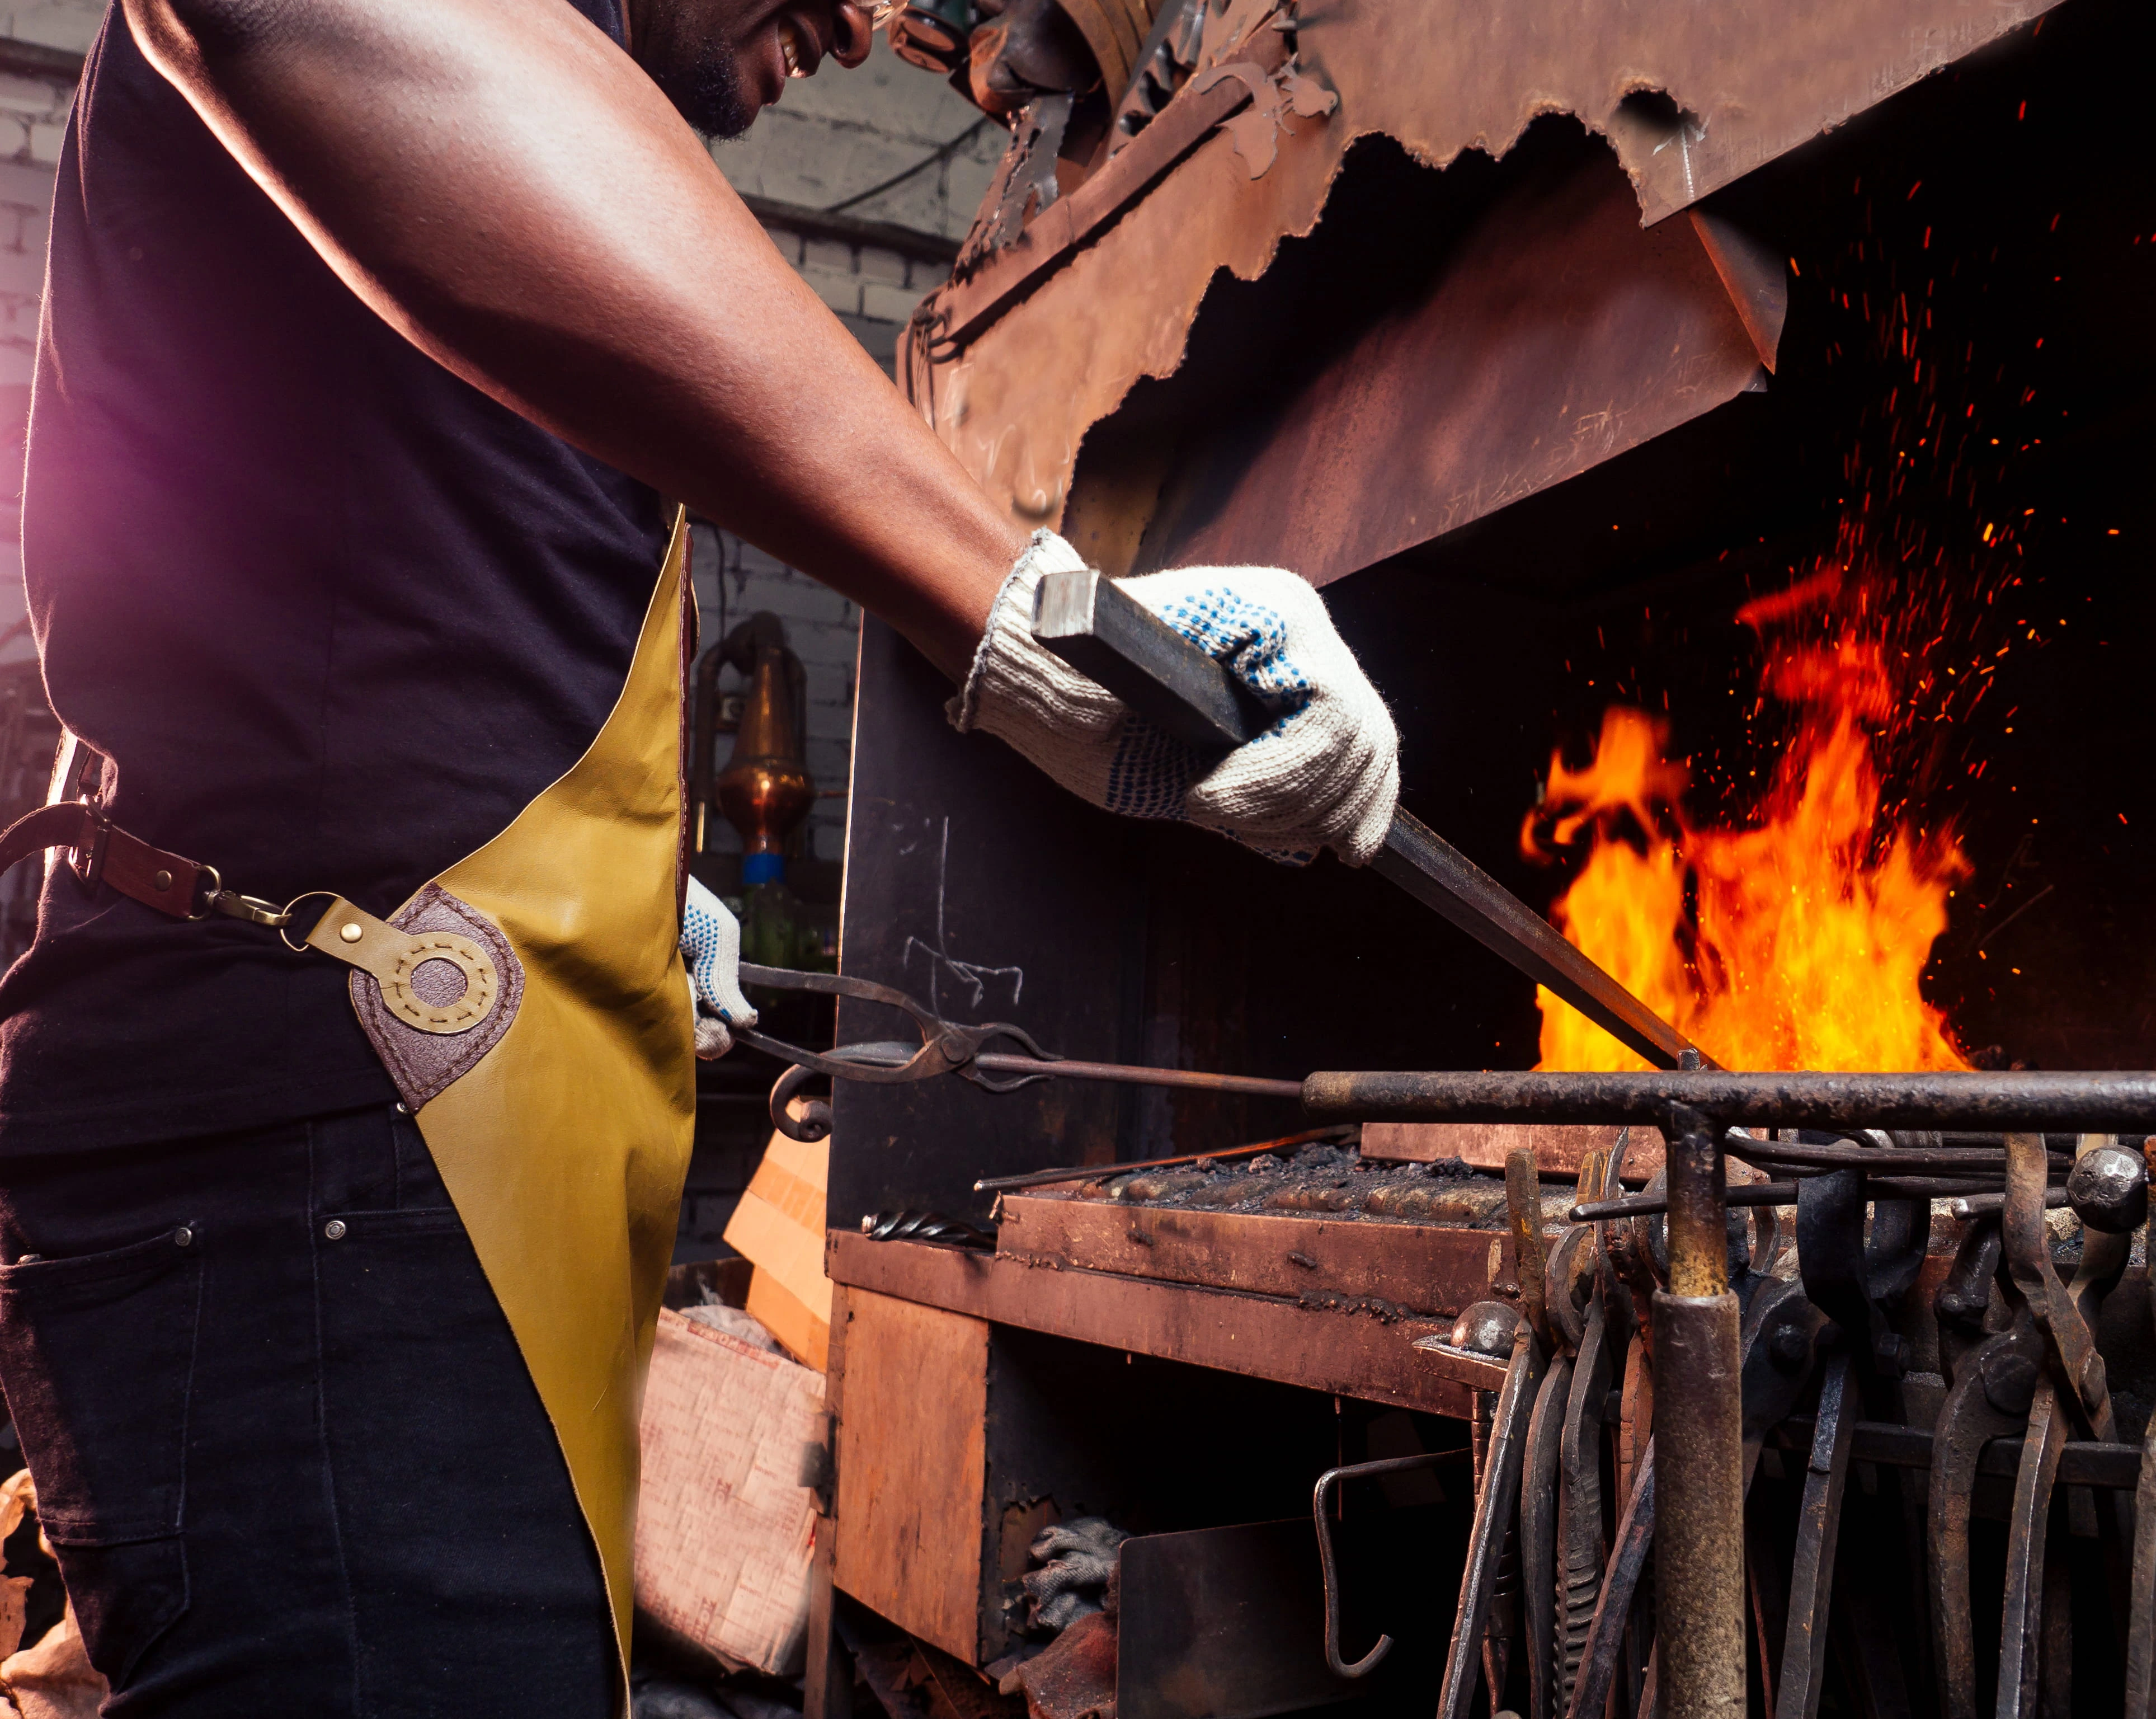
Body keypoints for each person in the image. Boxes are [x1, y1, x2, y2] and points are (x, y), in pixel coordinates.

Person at [0, 0, 1399, 1706]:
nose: (889, 24)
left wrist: (623, 886)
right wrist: (1031, 614)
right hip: (322, 1178)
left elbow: (414, 607)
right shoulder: (443, 73)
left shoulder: (560, 182)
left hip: (415, 1176)